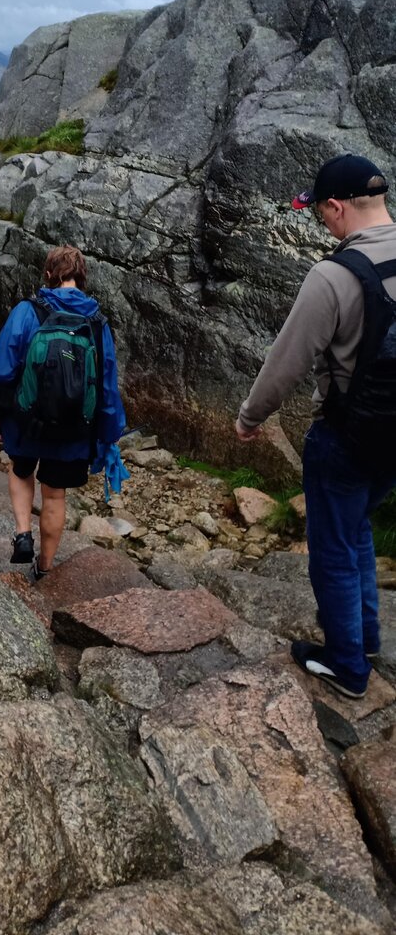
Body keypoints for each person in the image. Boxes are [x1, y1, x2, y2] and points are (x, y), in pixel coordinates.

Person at [236, 152, 396, 700]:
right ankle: (368, 639)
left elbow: (287, 360)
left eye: (320, 214)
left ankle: (347, 665)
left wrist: (249, 418)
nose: (320, 224)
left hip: (347, 437)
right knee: (358, 531)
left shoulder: (335, 275)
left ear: (337, 207)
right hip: (394, 439)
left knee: (332, 546)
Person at [0, 245, 126, 581]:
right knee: (55, 494)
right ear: (83, 278)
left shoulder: (27, 311)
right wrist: (109, 432)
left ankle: (22, 533)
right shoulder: (97, 322)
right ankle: (44, 566)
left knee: (20, 470)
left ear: (47, 275)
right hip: (74, 428)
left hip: (26, 419)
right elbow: (106, 383)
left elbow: (2, 367)